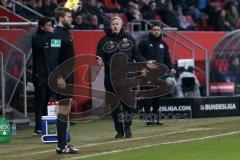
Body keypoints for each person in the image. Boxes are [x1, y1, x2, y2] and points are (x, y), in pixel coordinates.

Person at [96, 16, 157, 138]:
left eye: (117, 24)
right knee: (114, 107)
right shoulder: (103, 40)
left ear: (121, 25)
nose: (115, 26)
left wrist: (146, 63)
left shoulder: (129, 39)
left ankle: (127, 127)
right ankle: (119, 130)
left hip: (127, 77)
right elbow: (99, 56)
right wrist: (100, 61)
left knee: (128, 105)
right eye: (113, 24)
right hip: (110, 78)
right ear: (110, 25)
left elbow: (137, 55)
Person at [48, 7, 79, 154]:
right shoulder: (56, 35)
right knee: (63, 111)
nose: (71, 19)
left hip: (68, 76)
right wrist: (59, 77)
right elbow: (53, 59)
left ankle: (64, 144)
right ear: (60, 18)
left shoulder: (65, 32)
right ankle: (61, 145)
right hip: (62, 78)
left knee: (65, 112)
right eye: (68, 17)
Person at [138, 22, 176, 125]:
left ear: (161, 31)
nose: (156, 32)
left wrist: (171, 68)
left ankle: (156, 118)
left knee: (158, 97)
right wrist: (142, 68)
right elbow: (139, 57)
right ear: (151, 31)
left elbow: (167, 59)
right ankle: (148, 118)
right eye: (154, 30)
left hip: (160, 74)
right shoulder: (144, 43)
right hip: (148, 73)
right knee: (148, 96)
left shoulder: (164, 44)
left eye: (158, 30)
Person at [31, 17, 53, 135]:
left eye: (51, 25)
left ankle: (46, 125)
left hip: (50, 75)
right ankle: (38, 127)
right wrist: (51, 35)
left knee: (48, 102)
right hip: (39, 75)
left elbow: (57, 47)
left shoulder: (51, 37)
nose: (50, 28)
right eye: (48, 25)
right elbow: (40, 46)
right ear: (41, 26)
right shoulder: (36, 38)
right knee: (40, 102)